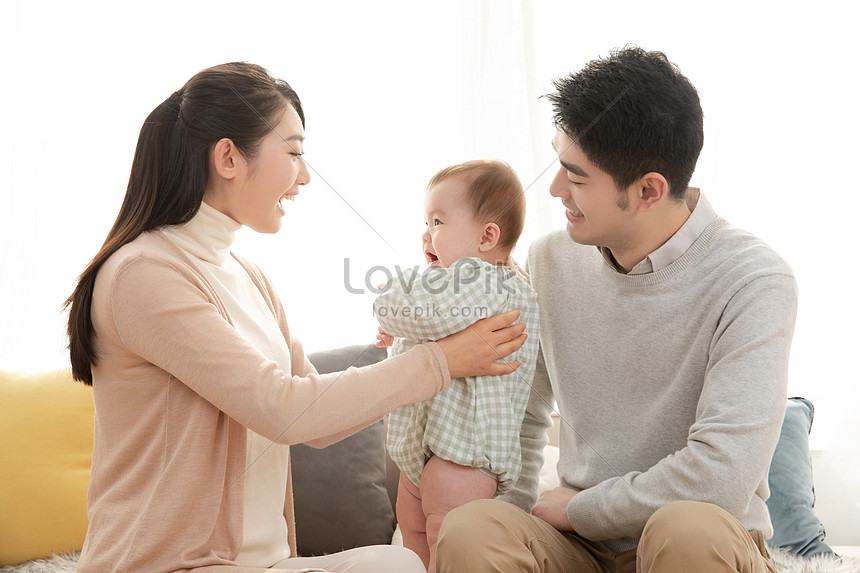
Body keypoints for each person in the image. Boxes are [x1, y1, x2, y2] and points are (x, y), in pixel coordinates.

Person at [64, 62, 528, 573]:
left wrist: (424, 347)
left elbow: (318, 423)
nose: (305, 175)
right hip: (163, 565)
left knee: (398, 564)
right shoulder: (143, 275)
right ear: (228, 157)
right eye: (293, 152)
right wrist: (443, 360)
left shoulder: (248, 276)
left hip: (261, 565)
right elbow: (285, 410)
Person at [435, 46, 798, 573]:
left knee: (686, 527)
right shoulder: (549, 258)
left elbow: (720, 477)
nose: (556, 189)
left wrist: (583, 509)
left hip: (698, 542)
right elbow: (521, 418)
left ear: (649, 190)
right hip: (580, 549)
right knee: (473, 528)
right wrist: (512, 524)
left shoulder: (755, 280)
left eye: (576, 176)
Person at [372, 160, 540, 572]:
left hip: (463, 455)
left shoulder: (486, 278)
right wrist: (404, 335)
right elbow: (440, 327)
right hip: (433, 448)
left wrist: (388, 305)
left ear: (487, 237)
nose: (426, 234)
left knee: (447, 540)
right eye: (426, 221)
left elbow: (427, 312)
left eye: (439, 221)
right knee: (413, 537)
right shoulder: (466, 286)